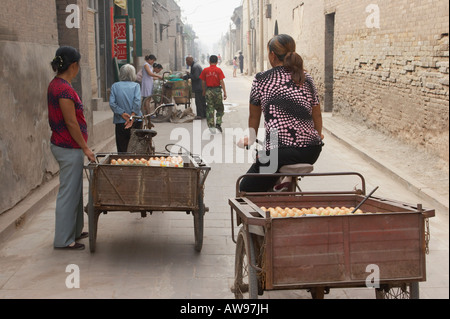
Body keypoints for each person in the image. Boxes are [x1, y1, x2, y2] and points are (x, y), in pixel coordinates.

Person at [238, 34, 324, 193]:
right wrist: (318, 135)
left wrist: (251, 138)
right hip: (312, 151)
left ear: (272, 55)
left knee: (244, 188)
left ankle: (265, 214)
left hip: (279, 152)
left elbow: (254, 116)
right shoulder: (306, 77)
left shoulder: (261, 79)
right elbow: (317, 114)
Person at [48, 46, 95, 250]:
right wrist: (85, 148)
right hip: (68, 146)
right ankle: (64, 240)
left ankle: (74, 231)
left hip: (66, 145)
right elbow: (71, 122)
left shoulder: (56, 84)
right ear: (74, 65)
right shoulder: (64, 89)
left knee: (75, 191)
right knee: (68, 193)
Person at [110, 64, 143, 153]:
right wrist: (132, 116)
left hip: (121, 122)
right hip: (136, 121)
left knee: (122, 148)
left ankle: (123, 166)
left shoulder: (115, 86)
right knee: (136, 148)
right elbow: (137, 101)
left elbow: (112, 103)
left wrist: (122, 113)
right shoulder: (136, 86)